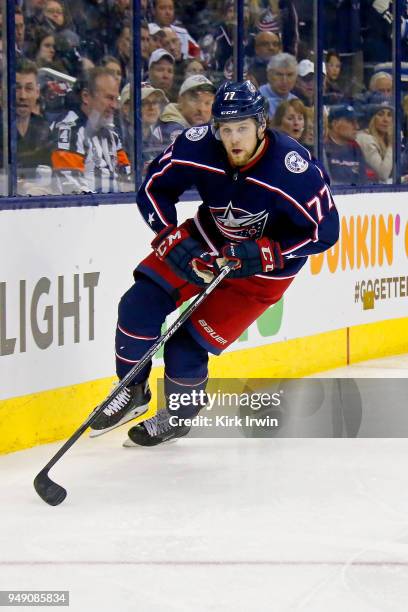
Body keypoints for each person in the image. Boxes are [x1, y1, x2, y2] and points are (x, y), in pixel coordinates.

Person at [89, 80, 339, 446]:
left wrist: (270, 252)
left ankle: (177, 415)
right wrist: (169, 235)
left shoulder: (292, 168)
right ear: (215, 128)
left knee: (185, 346)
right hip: (207, 239)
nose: (234, 139)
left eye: (242, 128)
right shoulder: (196, 146)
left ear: (261, 125)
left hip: (265, 270)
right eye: (225, 129)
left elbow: (325, 232)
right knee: (138, 304)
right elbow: (153, 188)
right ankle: (132, 390)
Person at [50, 67, 131, 193]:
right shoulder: (69, 129)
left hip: (114, 209)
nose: (114, 106)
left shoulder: (112, 135)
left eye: (116, 99)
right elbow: (70, 187)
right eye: (109, 98)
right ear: (86, 97)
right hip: (87, 210)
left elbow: (127, 178)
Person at [16, 59, 52, 192]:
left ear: (37, 92)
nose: (23, 96)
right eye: (17, 88)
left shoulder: (44, 129)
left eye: (29, 88)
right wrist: (24, 187)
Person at [157, 74, 216, 145]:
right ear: (180, 101)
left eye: (207, 103)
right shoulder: (171, 129)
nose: (201, 109)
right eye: (195, 100)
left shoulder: (215, 129)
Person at [325, 104, 367, 185]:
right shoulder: (323, 149)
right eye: (350, 122)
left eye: (356, 122)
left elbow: (363, 182)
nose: (357, 127)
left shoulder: (356, 149)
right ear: (335, 124)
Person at [356, 94, 393, 183]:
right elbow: (382, 174)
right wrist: (393, 144)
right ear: (371, 118)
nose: (386, 120)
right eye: (380, 114)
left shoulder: (387, 138)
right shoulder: (365, 139)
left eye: (389, 115)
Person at [259, 52, 298, 120]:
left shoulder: (295, 101)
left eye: (289, 75)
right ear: (269, 75)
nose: (284, 80)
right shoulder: (257, 99)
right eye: (279, 74)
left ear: (296, 77)